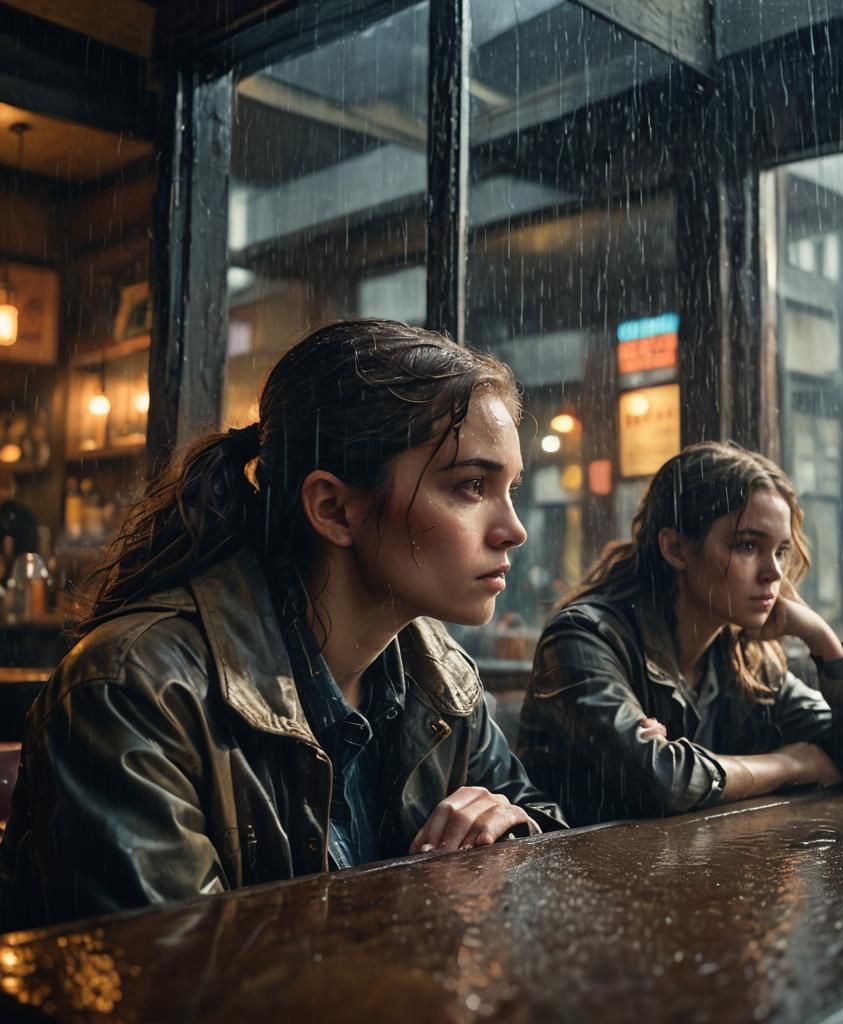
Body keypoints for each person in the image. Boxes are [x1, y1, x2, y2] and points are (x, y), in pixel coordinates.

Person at [0, 319, 566, 929]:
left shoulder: (438, 674)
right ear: (334, 509)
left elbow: (552, 848)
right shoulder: (133, 690)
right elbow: (171, 971)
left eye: (510, 487)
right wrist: (418, 907)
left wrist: (509, 832)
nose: (514, 529)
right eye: (472, 486)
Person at [516, 441, 843, 827]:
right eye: (747, 545)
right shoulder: (584, 637)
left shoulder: (744, 661)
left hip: (687, 865)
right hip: (571, 866)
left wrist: (823, 639)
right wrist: (791, 764)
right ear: (677, 548)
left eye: (781, 551)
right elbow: (660, 781)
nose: (773, 573)